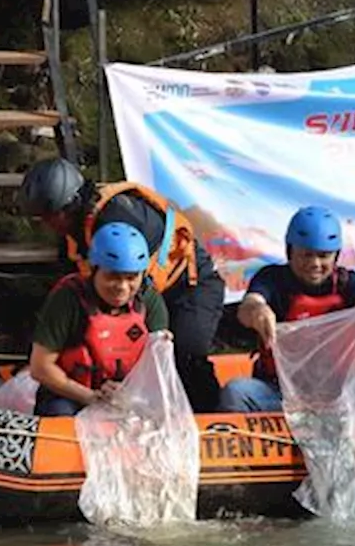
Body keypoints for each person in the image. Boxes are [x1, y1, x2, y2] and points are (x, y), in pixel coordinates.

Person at [17, 158, 225, 412]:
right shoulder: (76, 232)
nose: (47, 225)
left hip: (190, 284)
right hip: (144, 286)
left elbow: (128, 290)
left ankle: (211, 417)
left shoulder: (119, 224)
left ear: (69, 206)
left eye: (49, 216)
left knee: (185, 352)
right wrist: (45, 349)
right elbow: (69, 294)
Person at [218, 206, 355, 414]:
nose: (314, 264)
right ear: (290, 252)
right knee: (237, 392)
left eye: (323, 256)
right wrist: (257, 311)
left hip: (342, 394)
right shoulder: (272, 279)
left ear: (336, 256)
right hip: (283, 394)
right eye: (306, 255)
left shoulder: (349, 283)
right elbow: (250, 303)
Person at [28, 222, 170, 417]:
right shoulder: (68, 299)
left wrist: (128, 394)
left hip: (128, 395)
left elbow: (157, 368)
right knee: (59, 413)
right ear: (94, 270)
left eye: (131, 278)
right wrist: (92, 397)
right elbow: (40, 367)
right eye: (112, 276)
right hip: (72, 393)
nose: (122, 287)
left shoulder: (149, 300)